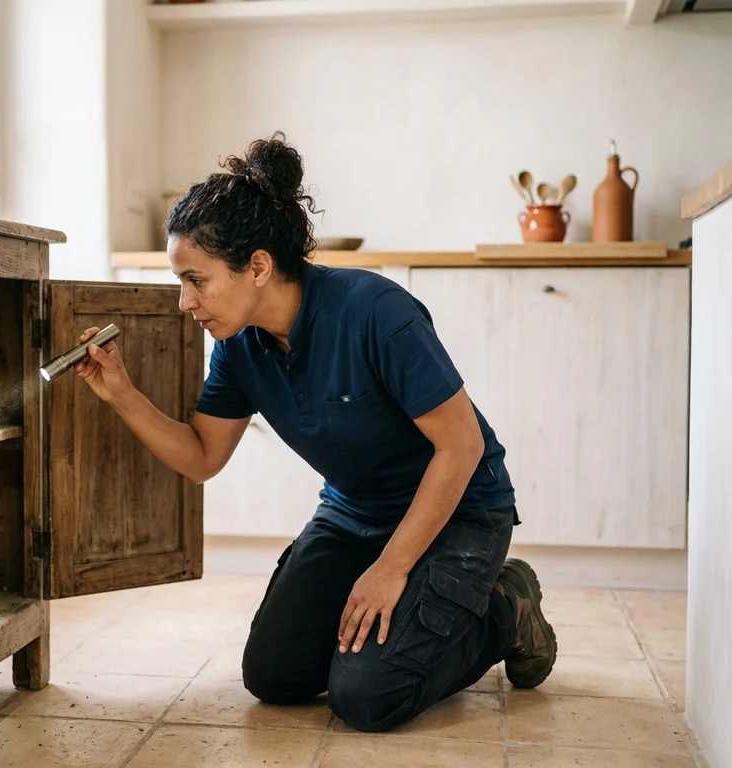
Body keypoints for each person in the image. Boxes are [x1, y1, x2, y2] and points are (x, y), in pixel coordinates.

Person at [72, 132, 557, 733]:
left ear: (257, 266)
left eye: (196, 280)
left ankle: (505, 607)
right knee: (274, 677)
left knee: (367, 697)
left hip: (460, 510)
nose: (183, 302)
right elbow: (201, 458)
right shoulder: (237, 345)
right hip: (354, 514)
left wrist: (391, 569)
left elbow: (462, 447)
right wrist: (121, 393)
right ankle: (404, 628)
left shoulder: (374, 311)